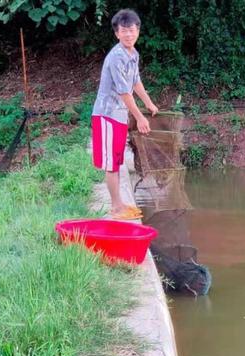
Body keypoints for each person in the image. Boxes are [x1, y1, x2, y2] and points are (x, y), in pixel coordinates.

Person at [91, 8, 159, 220]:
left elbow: (135, 82)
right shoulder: (117, 57)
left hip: (119, 116)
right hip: (108, 115)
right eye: (124, 31)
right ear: (117, 33)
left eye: (132, 30)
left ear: (138, 31)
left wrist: (149, 104)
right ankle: (116, 207)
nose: (129, 34)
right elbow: (123, 92)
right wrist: (139, 117)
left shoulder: (133, 54)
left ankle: (120, 205)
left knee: (118, 161)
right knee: (112, 164)